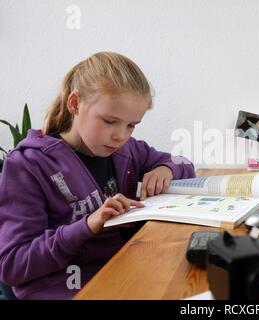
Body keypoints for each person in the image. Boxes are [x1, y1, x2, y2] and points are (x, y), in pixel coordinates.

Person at [0, 52, 196, 299]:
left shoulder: (126, 151)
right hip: (64, 288)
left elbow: (182, 162)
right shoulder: (27, 165)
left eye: (131, 125)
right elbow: (12, 265)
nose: (120, 136)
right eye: (109, 121)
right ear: (75, 104)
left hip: (122, 272)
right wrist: (87, 226)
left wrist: (166, 169)